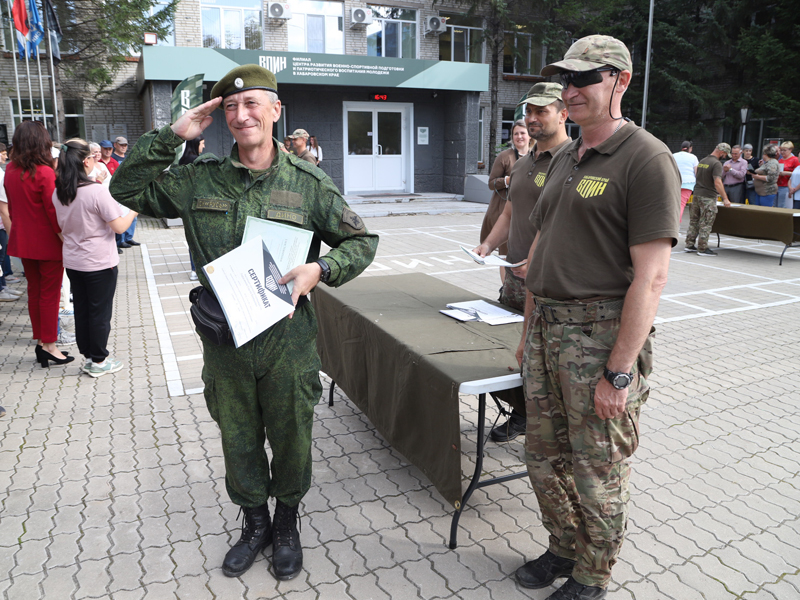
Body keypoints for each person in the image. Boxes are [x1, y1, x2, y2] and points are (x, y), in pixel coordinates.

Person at [110, 64, 378, 582]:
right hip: (225, 339)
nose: (240, 114)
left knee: (293, 436)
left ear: (276, 111)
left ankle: (286, 525)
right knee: (237, 437)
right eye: (230, 107)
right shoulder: (198, 178)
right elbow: (127, 188)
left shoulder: (309, 184)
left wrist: (321, 269)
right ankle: (254, 523)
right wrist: (172, 136)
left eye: (252, 103)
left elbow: (362, 242)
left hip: (288, 340)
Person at [514, 35, 680, 600]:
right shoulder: (566, 154)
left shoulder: (646, 158)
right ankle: (563, 545)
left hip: (599, 336)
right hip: (546, 330)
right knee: (542, 457)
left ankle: (594, 573)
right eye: (567, 79)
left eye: (586, 78)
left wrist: (619, 371)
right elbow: (542, 245)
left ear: (620, 82)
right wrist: (526, 331)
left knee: (596, 467)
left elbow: (652, 277)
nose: (571, 89)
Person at [472, 82, 571, 443]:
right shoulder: (525, 162)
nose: (531, 118)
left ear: (563, 114)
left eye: (540, 111)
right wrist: (488, 244)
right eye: (528, 111)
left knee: (540, 357)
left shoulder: (572, 160)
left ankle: (544, 427)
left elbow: (569, 225)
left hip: (546, 283)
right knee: (507, 351)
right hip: (515, 279)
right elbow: (511, 212)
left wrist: (538, 259)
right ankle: (522, 414)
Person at [52, 139, 138, 377]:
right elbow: (120, 226)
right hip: (99, 263)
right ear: (86, 161)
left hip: (74, 262)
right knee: (99, 313)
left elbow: (60, 228)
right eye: (92, 157)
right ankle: (99, 361)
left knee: (83, 310)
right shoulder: (96, 191)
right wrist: (134, 210)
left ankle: (90, 356)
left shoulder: (58, 192)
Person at [4, 120, 74, 368]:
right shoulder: (44, 172)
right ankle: (49, 345)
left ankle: (42, 342)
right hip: (47, 243)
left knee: (35, 292)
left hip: (23, 241)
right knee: (49, 294)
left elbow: (12, 208)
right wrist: (63, 239)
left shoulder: (10, 171)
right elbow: (53, 212)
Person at [479, 119, 530, 284]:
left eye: (523, 133)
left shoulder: (536, 155)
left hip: (526, 213)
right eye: (516, 133)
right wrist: (508, 180)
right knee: (505, 254)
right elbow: (491, 183)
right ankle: (505, 289)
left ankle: (520, 291)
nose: (519, 136)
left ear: (530, 135)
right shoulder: (505, 156)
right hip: (504, 211)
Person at [684, 143, 731, 256]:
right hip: (708, 197)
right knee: (706, 223)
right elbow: (717, 182)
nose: (724, 156)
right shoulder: (716, 163)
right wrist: (725, 198)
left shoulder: (703, 161)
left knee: (694, 221)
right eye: (725, 154)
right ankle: (702, 248)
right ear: (721, 152)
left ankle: (689, 244)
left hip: (696, 195)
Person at [179, 135, 206, 281]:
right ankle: (197, 269)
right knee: (199, 238)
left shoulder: (182, 160)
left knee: (192, 237)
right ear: (195, 144)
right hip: (198, 204)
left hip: (187, 204)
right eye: (202, 143)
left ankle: (194, 269)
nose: (204, 147)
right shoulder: (195, 161)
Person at [0, 142, 23, 302]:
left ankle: (3, 287)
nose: (6, 156)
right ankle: (1, 289)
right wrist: (12, 233)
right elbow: (4, 208)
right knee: (1, 258)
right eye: (2, 153)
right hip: (2, 224)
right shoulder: (2, 174)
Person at [672, 140, 698, 220]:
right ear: (690, 148)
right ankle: (676, 227)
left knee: (673, 205)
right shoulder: (693, 157)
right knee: (681, 204)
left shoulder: (673, 155)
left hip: (674, 182)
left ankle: (672, 226)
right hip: (688, 184)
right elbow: (696, 172)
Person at [776, 141, 799, 209]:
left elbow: (797, 174)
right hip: (778, 184)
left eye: (784, 150)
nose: (782, 152)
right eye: (781, 150)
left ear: (790, 150)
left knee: (782, 205)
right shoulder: (780, 160)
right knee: (775, 205)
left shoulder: (795, 160)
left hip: (787, 186)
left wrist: (786, 173)